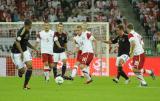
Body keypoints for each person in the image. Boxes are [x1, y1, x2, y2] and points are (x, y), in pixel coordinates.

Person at [11, 19, 36, 90]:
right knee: (22, 71)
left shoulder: (28, 31)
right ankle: (20, 71)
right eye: (30, 25)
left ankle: (25, 85)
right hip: (16, 52)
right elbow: (17, 42)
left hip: (24, 50)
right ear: (26, 25)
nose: (31, 27)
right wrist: (21, 53)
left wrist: (33, 47)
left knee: (30, 66)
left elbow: (25, 42)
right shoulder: (21, 32)